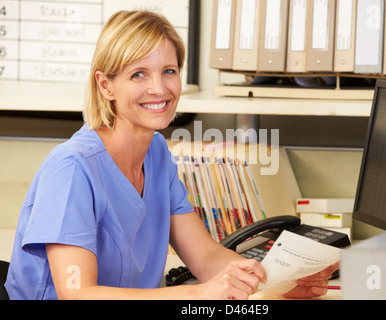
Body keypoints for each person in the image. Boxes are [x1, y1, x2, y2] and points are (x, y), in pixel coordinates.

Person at [5, 10, 339, 300]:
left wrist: (277, 283)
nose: (159, 88)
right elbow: (77, 294)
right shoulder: (72, 169)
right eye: (138, 74)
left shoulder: (157, 154)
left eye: (169, 70)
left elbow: (206, 257)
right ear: (106, 86)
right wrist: (198, 293)